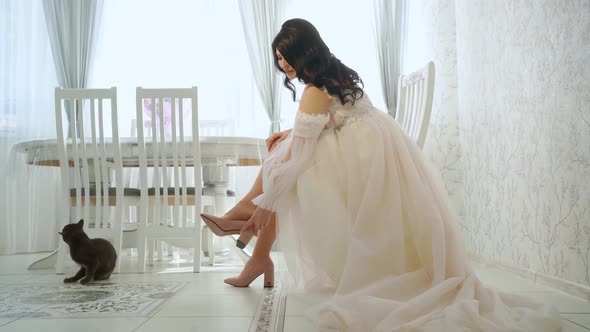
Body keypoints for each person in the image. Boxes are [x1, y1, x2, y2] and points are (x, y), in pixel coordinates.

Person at [200, 18, 562, 331]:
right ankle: (251, 239)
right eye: (278, 60)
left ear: (304, 53)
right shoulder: (336, 75)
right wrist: (289, 139)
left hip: (363, 168)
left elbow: (302, 152)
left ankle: (244, 220)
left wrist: (268, 202)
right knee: (282, 152)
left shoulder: (313, 91)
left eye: (286, 58)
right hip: (377, 158)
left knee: (283, 164)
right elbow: (324, 125)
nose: (283, 67)